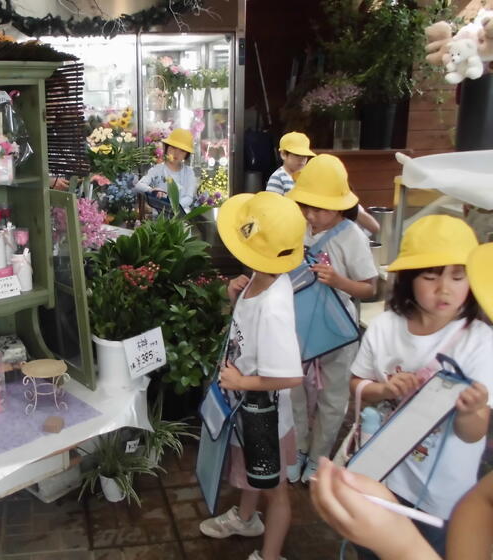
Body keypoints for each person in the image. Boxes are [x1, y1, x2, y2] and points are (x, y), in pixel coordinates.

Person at [311, 241, 493, 560]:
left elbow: (473, 433)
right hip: (381, 475)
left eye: (457, 277)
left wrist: (471, 411)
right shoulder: (385, 326)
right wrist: (384, 390)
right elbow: (357, 385)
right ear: (408, 280)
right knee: (370, 550)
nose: (444, 289)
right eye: (430, 276)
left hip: (441, 496)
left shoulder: (481, 341)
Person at [198, 191, 306, 560]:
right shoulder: (260, 278)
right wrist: (235, 299)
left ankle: (270, 555)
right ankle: (246, 519)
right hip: (246, 408)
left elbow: (290, 376)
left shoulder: (274, 306)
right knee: (252, 472)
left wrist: (242, 382)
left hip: (266, 416)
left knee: (275, 489)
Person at [284, 154, 378, 484]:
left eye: (320, 208)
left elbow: (369, 288)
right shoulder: (298, 227)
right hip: (298, 323)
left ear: (340, 206)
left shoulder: (352, 236)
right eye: (306, 206)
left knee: (333, 398)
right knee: (293, 389)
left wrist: (338, 281)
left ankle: (319, 457)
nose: (311, 215)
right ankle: (298, 448)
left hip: (337, 331)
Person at [265, 132, 380, 235]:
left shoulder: (312, 175)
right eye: (297, 155)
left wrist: (351, 208)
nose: (302, 160)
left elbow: (374, 227)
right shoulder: (278, 177)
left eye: (305, 156)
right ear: (283, 154)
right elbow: (271, 211)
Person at [134, 128, 197, 212]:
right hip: (160, 216)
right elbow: (139, 186)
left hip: (181, 215)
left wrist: (173, 206)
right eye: (173, 148)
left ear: (186, 155)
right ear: (166, 148)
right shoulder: (158, 169)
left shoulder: (188, 172)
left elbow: (189, 197)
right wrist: (151, 190)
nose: (177, 153)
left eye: (182, 151)